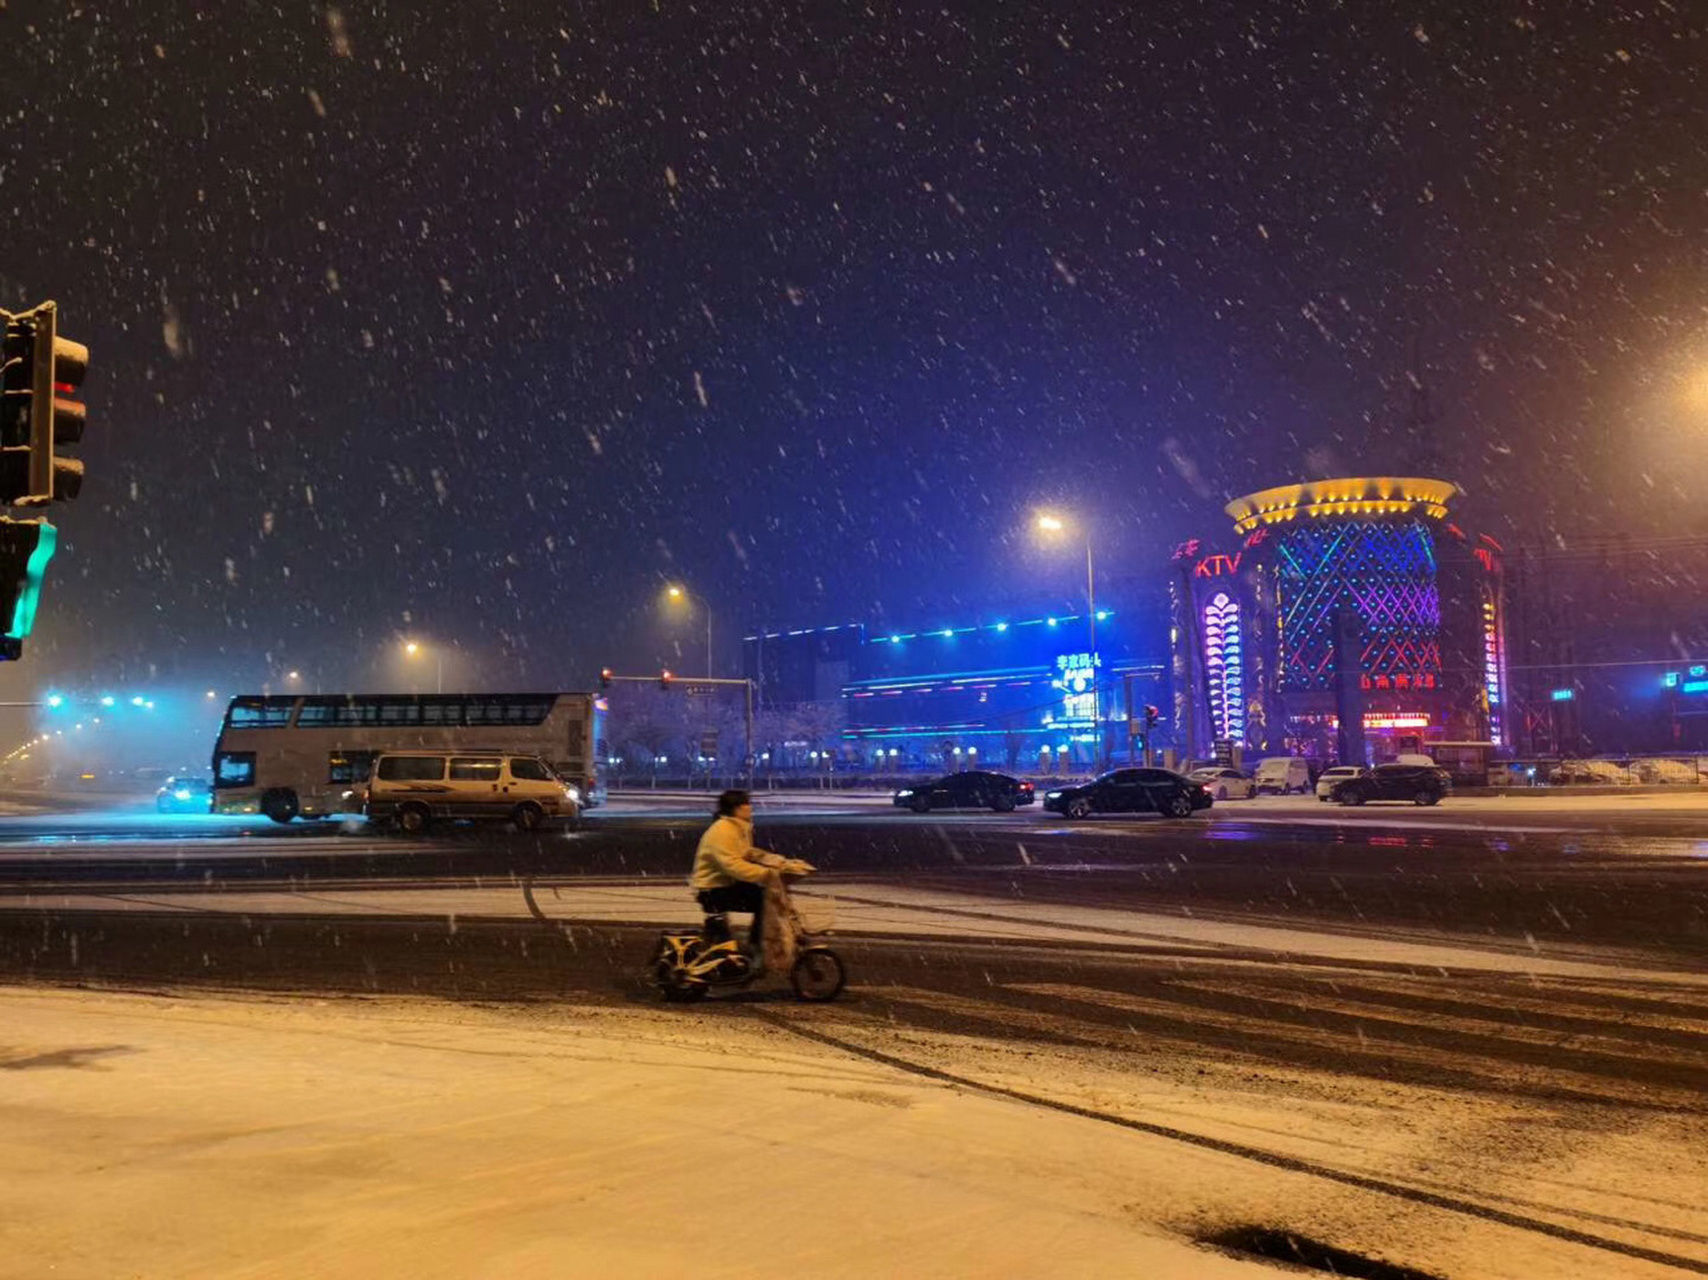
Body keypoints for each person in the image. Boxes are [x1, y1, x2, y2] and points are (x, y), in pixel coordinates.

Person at [690, 789, 783, 953]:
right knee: (764, 901)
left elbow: (746, 853)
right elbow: (732, 864)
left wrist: (778, 862)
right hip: (713, 889)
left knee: (764, 897)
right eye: (746, 804)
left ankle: (755, 945)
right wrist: (765, 874)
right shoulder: (722, 830)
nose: (750, 808)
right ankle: (757, 946)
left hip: (725, 884)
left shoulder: (737, 827)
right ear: (737, 809)